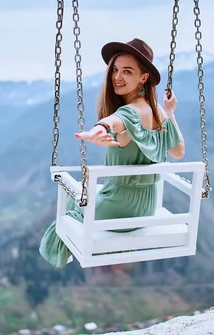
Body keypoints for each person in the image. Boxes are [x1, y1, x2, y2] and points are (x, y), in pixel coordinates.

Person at [39, 38, 185, 268]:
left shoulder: (129, 111)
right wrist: (170, 112)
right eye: (115, 70)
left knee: (71, 202)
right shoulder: (155, 109)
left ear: (143, 77)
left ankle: (59, 254)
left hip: (120, 209)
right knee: (86, 192)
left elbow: (113, 121)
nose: (117, 77)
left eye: (127, 71)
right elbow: (178, 151)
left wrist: (99, 129)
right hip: (145, 204)